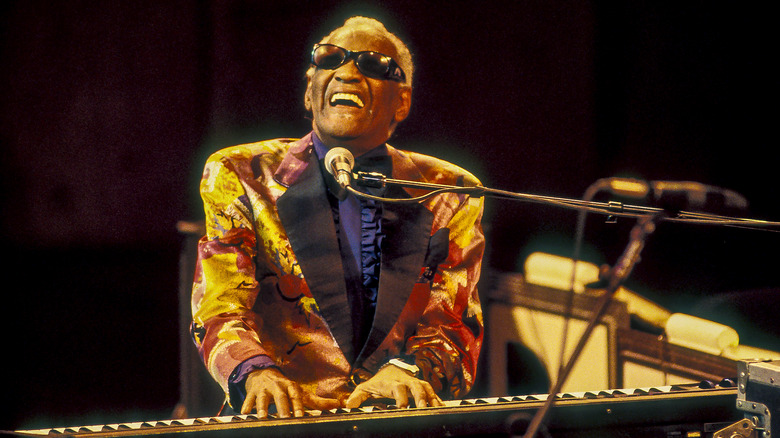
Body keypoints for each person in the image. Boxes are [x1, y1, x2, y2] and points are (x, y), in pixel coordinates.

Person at [190, 16, 485, 418]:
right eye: (330, 59)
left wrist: (405, 371)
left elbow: (453, 323)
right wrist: (256, 373)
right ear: (310, 93)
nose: (347, 72)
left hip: (395, 421)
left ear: (402, 101)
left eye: (373, 65)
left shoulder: (447, 191)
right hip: (280, 421)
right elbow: (220, 308)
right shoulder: (242, 174)